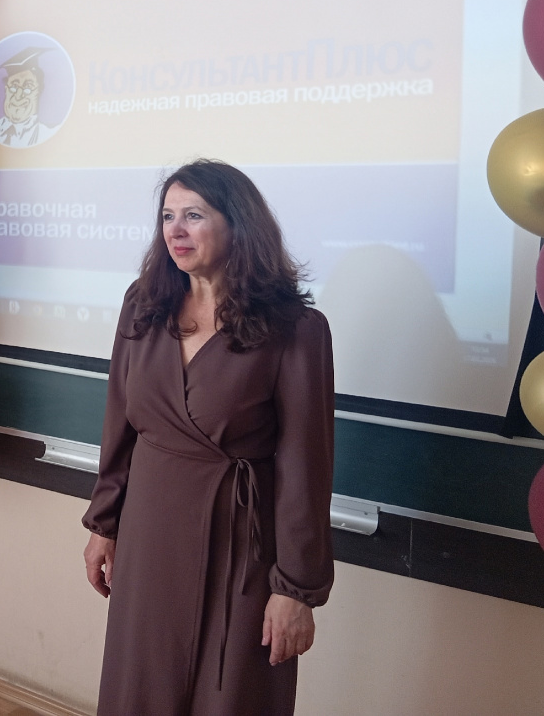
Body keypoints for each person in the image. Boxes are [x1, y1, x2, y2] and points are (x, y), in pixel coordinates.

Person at [82, 159, 334, 716]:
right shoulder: (143, 304)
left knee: (232, 696)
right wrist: (104, 525)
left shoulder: (296, 330)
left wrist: (295, 589)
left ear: (238, 224)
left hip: (241, 549)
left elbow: (305, 467)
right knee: (140, 688)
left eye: (193, 215)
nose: (175, 230)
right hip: (148, 537)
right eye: (167, 216)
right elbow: (119, 423)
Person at [0, 47, 56, 146]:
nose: (18, 96)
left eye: (28, 87)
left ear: (39, 91)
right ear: (6, 89)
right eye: (14, 87)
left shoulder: (47, 134)